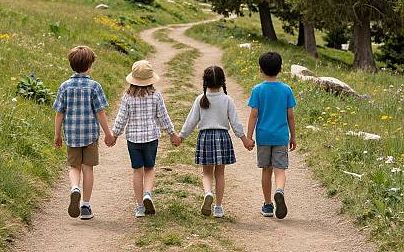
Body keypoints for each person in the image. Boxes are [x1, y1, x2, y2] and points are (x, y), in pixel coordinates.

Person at [176, 65, 254, 218]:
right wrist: (244, 139)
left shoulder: (200, 99)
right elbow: (235, 123)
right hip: (222, 137)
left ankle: (207, 193)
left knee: (207, 173)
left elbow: (190, 121)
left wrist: (181, 137)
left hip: (205, 138)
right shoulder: (227, 100)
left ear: (205, 81)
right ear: (223, 81)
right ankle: (218, 207)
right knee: (220, 174)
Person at [110, 60, 181, 218]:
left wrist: (114, 135)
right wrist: (172, 134)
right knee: (149, 168)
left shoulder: (127, 97)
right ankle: (147, 193)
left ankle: (140, 206)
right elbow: (163, 117)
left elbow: (121, 118)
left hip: (134, 140)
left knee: (137, 170)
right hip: (151, 138)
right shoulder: (156, 96)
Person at [53, 45, 115, 220]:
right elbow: (100, 112)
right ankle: (86, 206)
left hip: (72, 135)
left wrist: (57, 134)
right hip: (90, 136)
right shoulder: (94, 86)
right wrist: (108, 134)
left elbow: (59, 113)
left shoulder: (64, 86)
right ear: (89, 66)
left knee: (74, 167)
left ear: (71, 65)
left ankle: (74, 188)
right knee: (88, 168)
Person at [246, 51, 296, 219]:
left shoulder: (257, 90)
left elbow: (254, 115)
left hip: (264, 137)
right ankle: (280, 191)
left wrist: (248, 136)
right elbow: (290, 115)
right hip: (281, 136)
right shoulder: (286, 90)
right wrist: (293, 136)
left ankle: (268, 205)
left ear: (261, 69)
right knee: (280, 169)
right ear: (280, 69)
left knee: (266, 170)